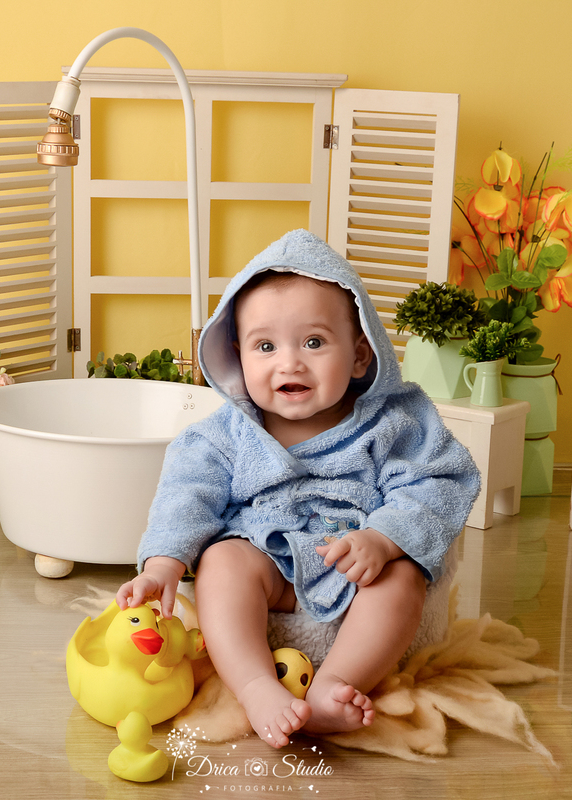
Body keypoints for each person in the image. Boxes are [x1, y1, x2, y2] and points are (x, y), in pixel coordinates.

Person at [116, 229, 480, 747]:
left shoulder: (394, 421)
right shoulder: (229, 433)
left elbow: (438, 481)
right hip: (270, 559)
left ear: (359, 356)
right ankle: (256, 685)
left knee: (405, 578)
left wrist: (385, 539)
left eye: (313, 342)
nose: (289, 362)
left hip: (357, 566)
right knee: (223, 562)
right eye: (265, 346)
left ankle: (334, 686)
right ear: (238, 356)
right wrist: (163, 564)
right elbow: (185, 493)